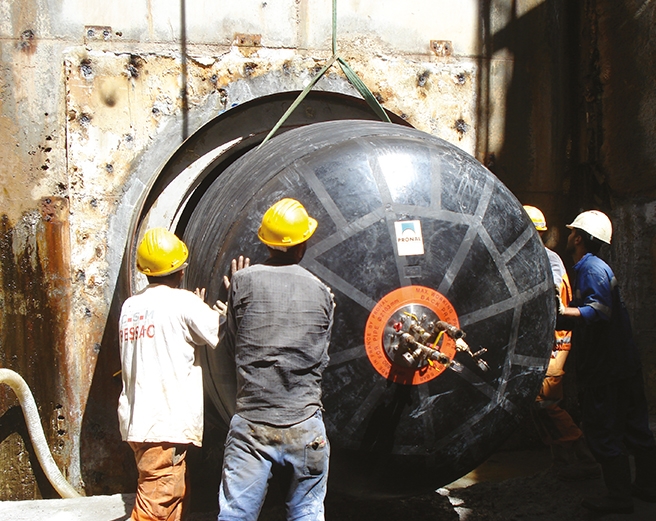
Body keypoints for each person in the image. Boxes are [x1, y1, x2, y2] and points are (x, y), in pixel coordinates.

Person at [218, 198, 334, 521]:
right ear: (302, 245)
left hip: (253, 422)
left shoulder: (242, 282)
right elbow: (322, 357)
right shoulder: (321, 291)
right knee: (307, 512)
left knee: (236, 515)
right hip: (305, 423)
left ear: (266, 243)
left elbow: (232, 346)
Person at [118, 227, 223, 521]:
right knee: (155, 506)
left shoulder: (131, 306)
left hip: (139, 421)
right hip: (164, 424)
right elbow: (220, 332)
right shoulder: (182, 302)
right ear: (179, 271)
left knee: (174, 499)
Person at [557, 210, 656, 514]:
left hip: (607, 369)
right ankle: (647, 488)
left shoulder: (590, 268)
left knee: (602, 430)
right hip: (624, 363)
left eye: (572, 232)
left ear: (578, 237)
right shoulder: (599, 266)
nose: (569, 236)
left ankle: (618, 497)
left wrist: (562, 313)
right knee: (636, 426)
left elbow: (599, 312)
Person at [523, 206, 600, 481]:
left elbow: (553, 294)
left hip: (555, 341)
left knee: (546, 401)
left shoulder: (549, 258)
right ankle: (562, 462)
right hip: (542, 339)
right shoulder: (531, 257)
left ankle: (584, 455)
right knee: (537, 403)